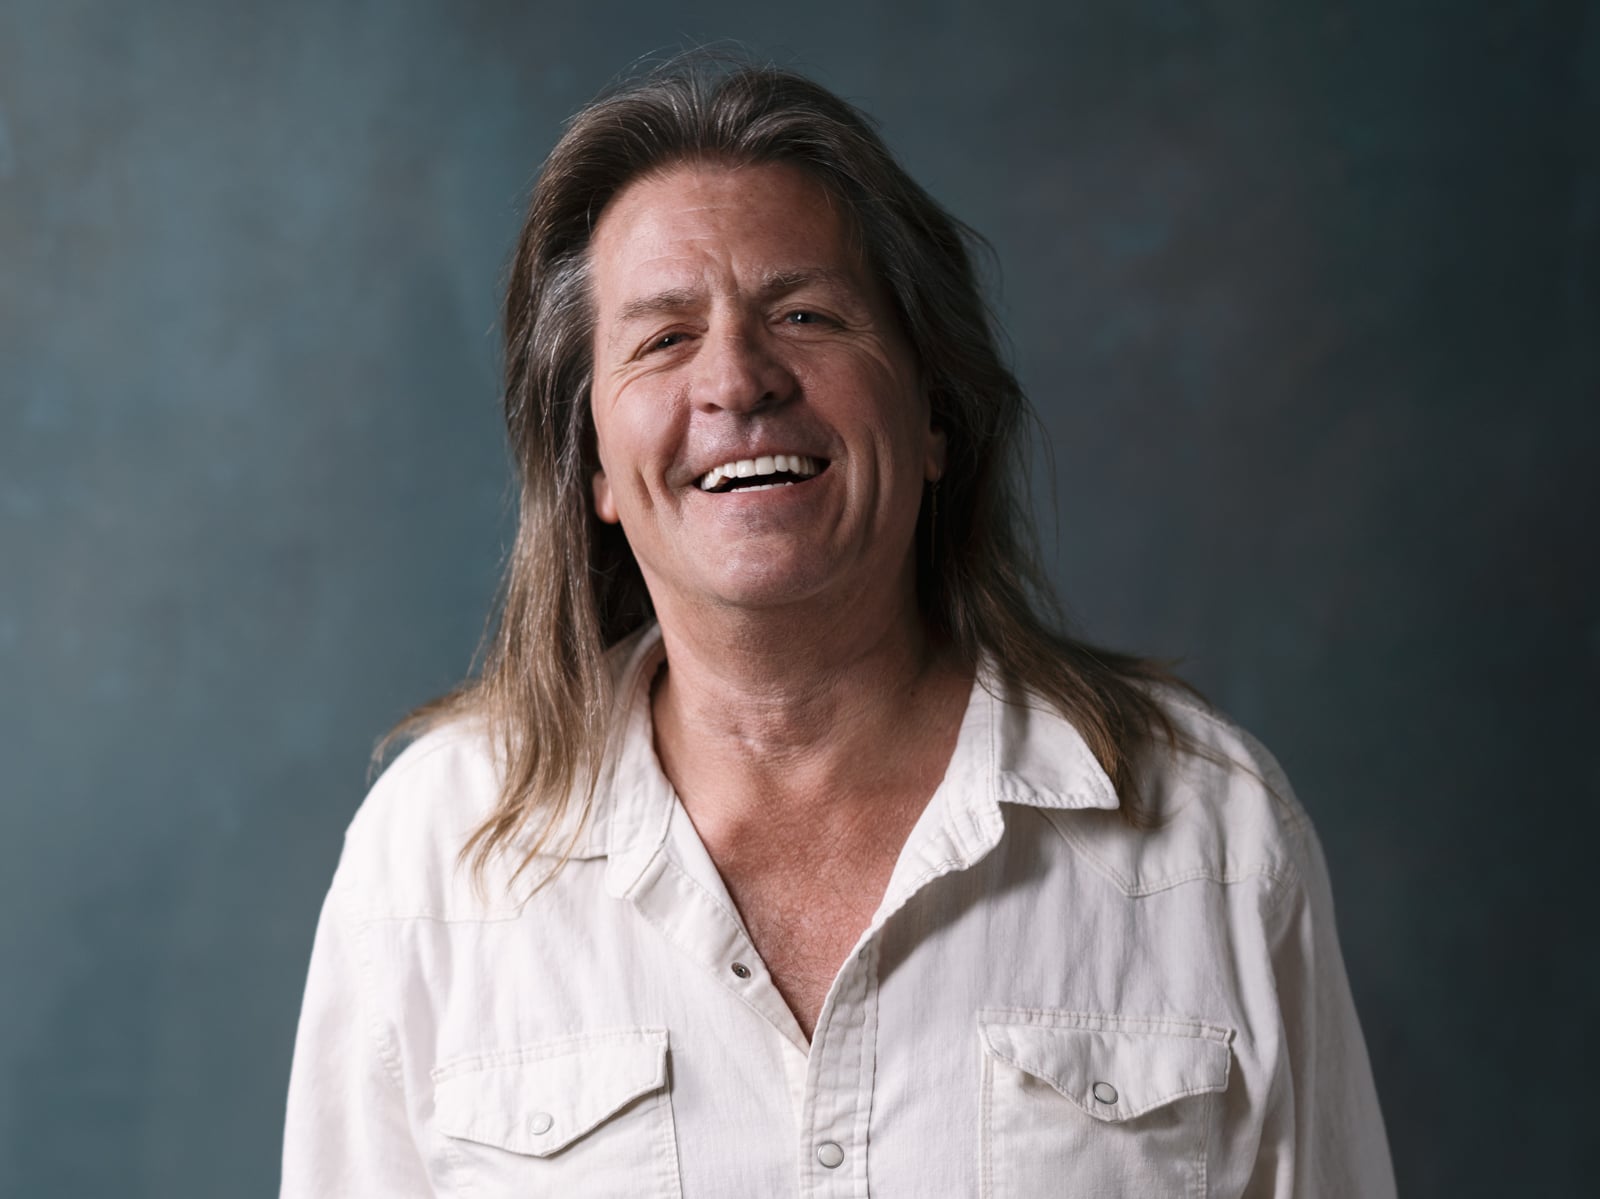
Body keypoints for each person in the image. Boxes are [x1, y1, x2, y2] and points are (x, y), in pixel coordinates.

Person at [282, 59, 1396, 1197]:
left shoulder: (1207, 830)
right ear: (595, 469)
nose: (738, 378)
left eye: (804, 314)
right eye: (662, 338)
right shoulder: (434, 855)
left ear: (932, 417)